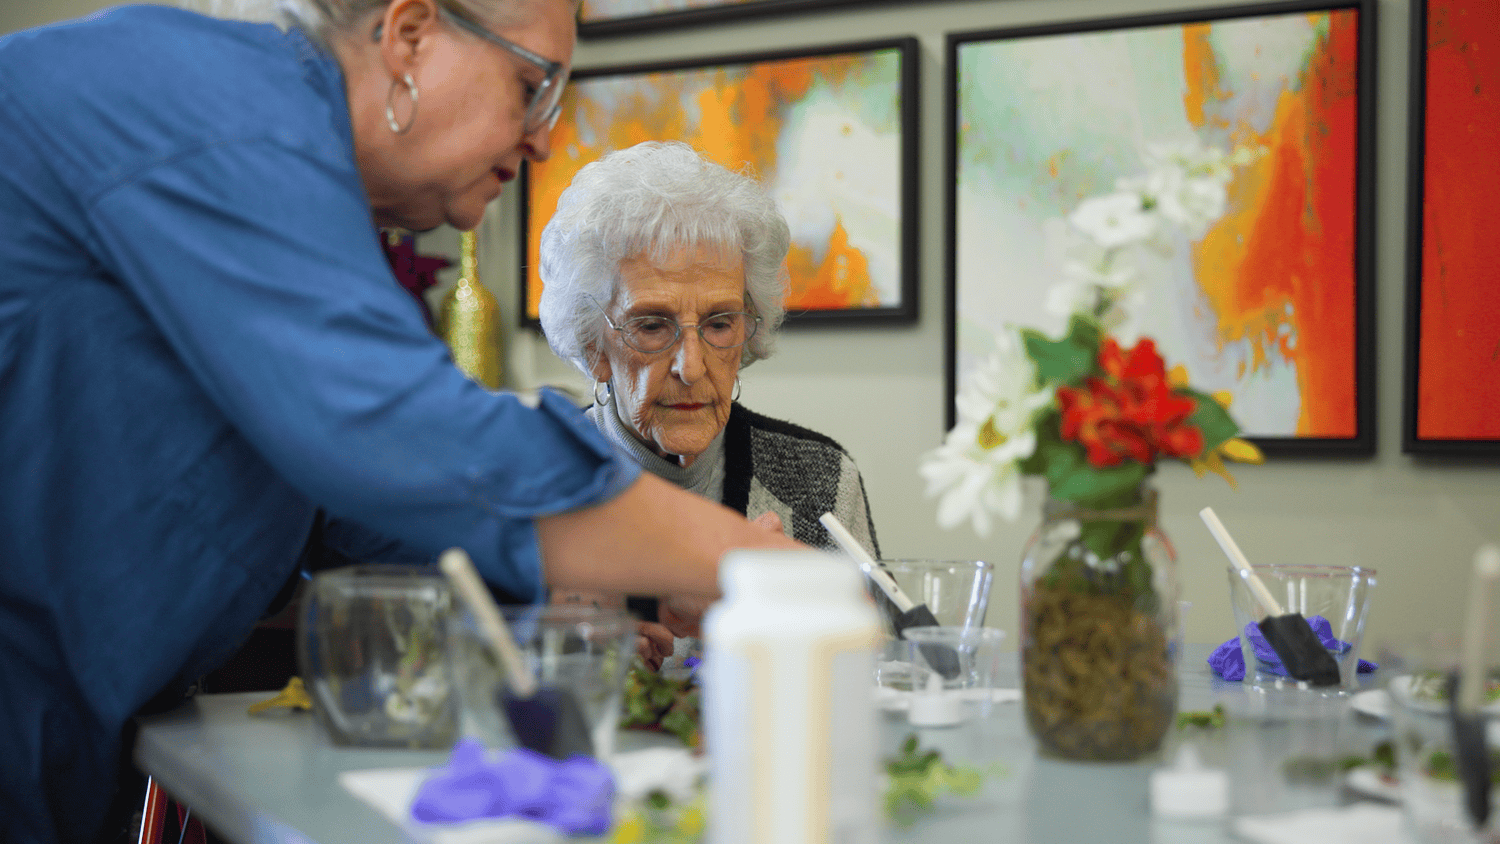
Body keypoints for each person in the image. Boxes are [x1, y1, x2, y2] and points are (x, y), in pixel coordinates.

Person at [0, 3, 805, 843]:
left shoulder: (306, 192)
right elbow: (402, 435)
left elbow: (337, 500)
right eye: (532, 87)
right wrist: (756, 563)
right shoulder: (205, 103)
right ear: (411, 34)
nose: (540, 140)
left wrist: (548, 607)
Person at [538, 141, 881, 669]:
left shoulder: (818, 479)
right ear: (594, 346)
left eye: (720, 323)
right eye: (652, 326)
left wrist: (768, 625)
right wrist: (568, 657)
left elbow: (877, 669)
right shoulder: (540, 485)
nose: (691, 366)